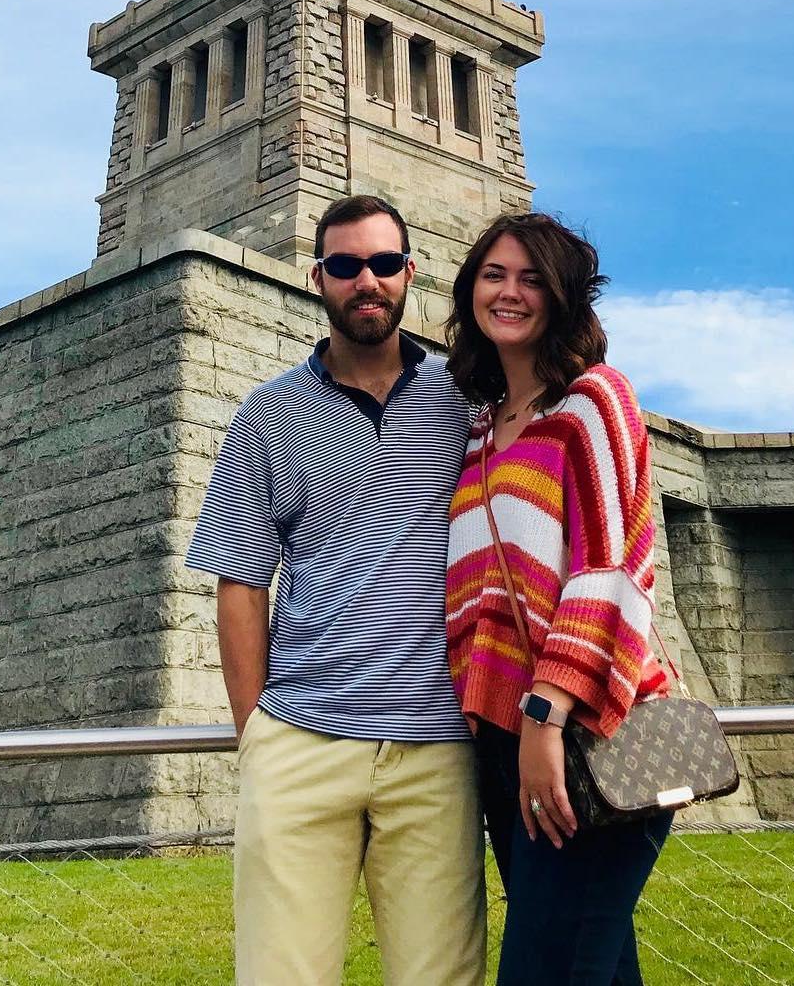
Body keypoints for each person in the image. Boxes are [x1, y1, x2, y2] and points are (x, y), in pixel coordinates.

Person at [185, 194, 485, 986]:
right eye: (346, 265)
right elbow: (240, 582)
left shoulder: (465, 402)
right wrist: (256, 736)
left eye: (383, 263)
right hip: (301, 742)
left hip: (438, 750)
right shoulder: (268, 413)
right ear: (317, 277)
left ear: (410, 273)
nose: (366, 281)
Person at [444, 211, 673, 985]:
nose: (510, 293)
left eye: (532, 279)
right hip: (502, 746)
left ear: (564, 296)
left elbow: (612, 570)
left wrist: (545, 714)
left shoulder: (592, 401)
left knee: (542, 970)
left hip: (584, 734)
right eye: (494, 275)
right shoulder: (480, 432)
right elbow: (474, 598)